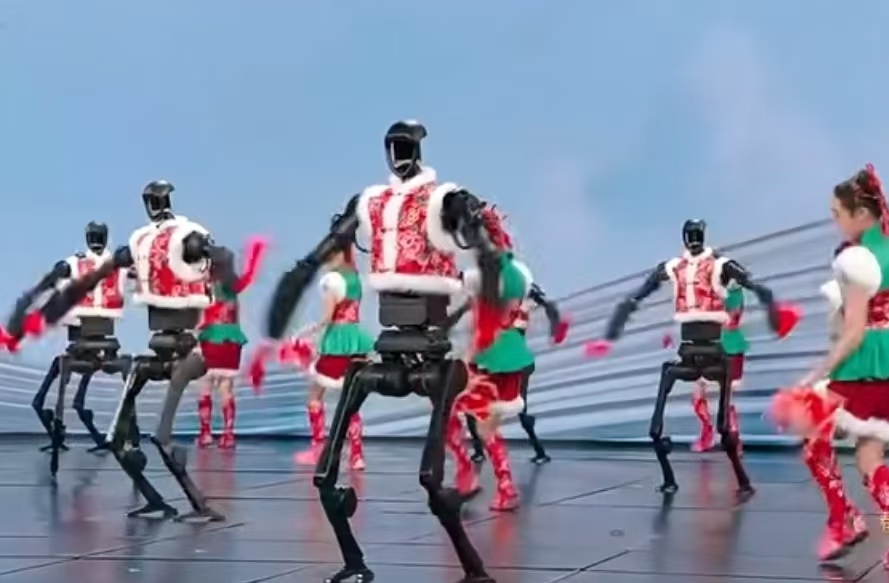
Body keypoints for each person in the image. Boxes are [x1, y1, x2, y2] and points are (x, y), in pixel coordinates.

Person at [773, 164, 889, 564]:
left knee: (812, 433)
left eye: (837, 214)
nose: (835, 222)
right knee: (870, 458)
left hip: (864, 365)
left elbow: (853, 331)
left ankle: (844, 517)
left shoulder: (859, 259)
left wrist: (816, 373)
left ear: (861, 213)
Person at [293, 239, 374, 470]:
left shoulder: (333, 280)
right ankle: (357, 455)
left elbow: (328, 317)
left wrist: (307, 331)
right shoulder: (354, 277)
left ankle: (318, 449)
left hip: (337, 341)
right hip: (355, 340)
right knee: (350, 401)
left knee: (314, 396)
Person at [196, 239, 266, 449]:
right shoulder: (233, 285)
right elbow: (248, 279)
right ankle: (228, 434)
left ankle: (206, 433)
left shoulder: (205, 284)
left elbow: (200, 317)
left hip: (212, 336)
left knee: (206, 384)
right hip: (232, 338)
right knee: (226, 386)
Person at [691, 284, 747, 452]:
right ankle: (707, 432)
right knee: (698, 392)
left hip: (729, 347)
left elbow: (732, 320)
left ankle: (733, 438)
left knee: (728, 397)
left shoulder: (733, 290)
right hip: (708, 345)